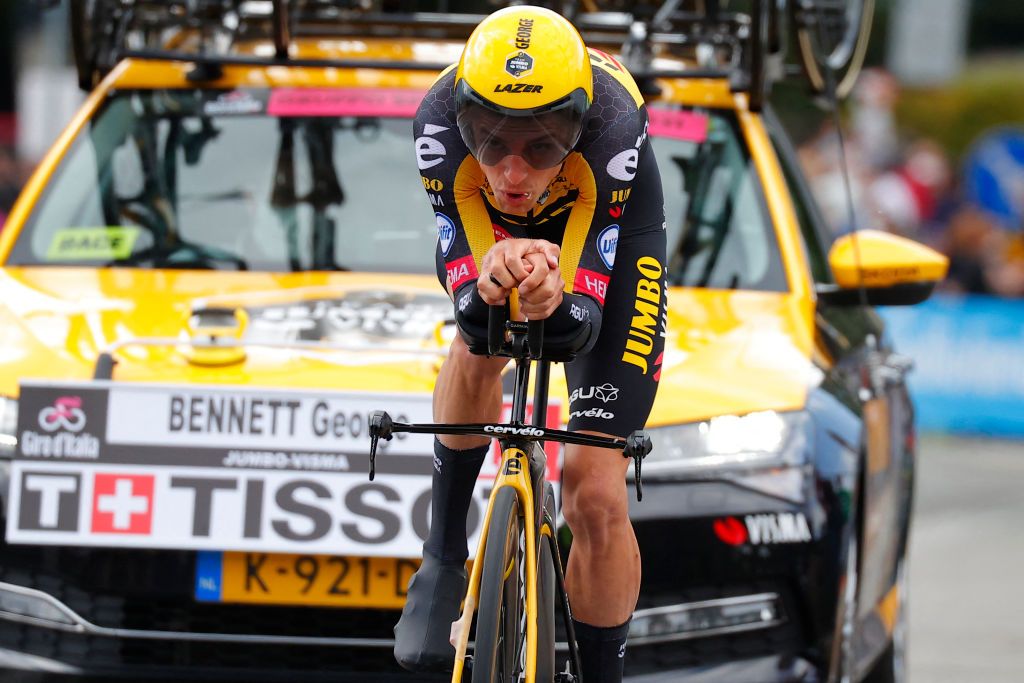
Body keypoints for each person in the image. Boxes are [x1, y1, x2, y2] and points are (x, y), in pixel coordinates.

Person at [395, 6, 667, 682]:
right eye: (490, 142)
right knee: (477, 336)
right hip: (487, 228)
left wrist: (556, 292)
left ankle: (603, 672)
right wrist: (491, 278)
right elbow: (469, 294)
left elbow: (582, 319)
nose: (512, 171)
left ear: (575, 128)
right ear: (463, 123)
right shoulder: (434, 124)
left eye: (541, 147)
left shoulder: (614, 124)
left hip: (606, 226)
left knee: (595, 493)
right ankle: (442, 553)